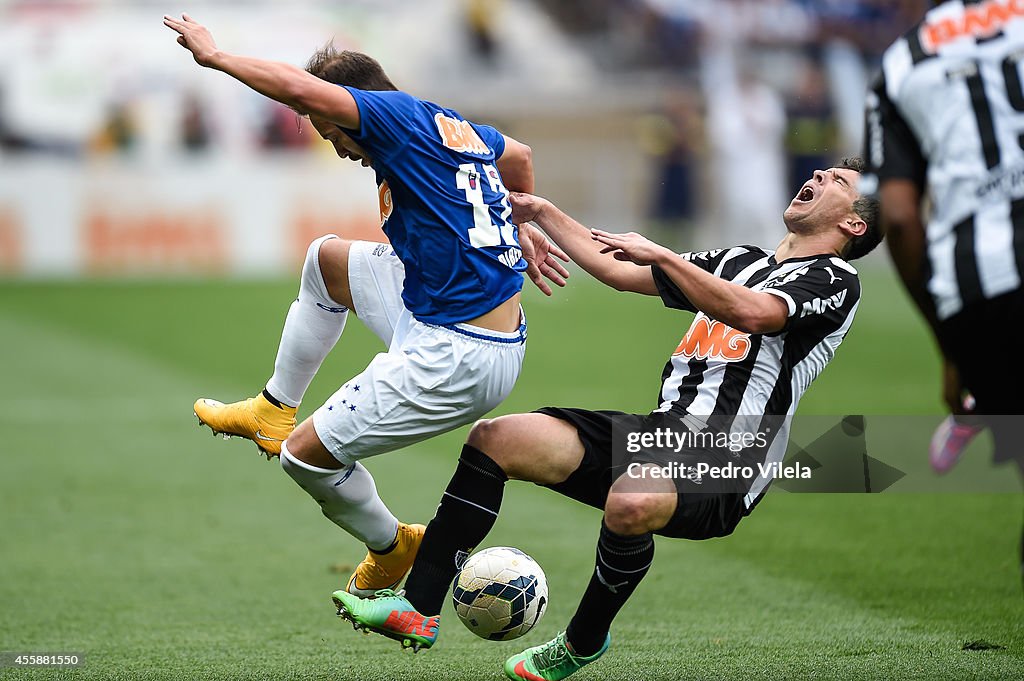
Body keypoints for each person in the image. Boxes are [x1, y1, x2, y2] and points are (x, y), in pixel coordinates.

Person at [333, 158, 882, 679]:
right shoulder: (742, 261)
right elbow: (620, 270)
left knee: (631, 498)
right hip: (662, 432)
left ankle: (583, 639)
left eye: (835, 179)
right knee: (498, 439)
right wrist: (542, 212)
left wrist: (665, 257)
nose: (817, 174)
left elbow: (754, 312)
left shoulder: (835, 279)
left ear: (855, 221)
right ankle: (418, 608)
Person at [163, 14, 569, 598]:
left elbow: (300, 90)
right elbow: (520, 157)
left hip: (457, 355)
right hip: (458, 322)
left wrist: (216, 57)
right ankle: (273, 407)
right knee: (326, 262)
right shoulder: (443, 121)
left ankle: (393, 545)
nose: (341, 150)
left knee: (304, 460)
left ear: (349, 106)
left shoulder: (391, 116)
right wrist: (517, 223)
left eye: (333, 135)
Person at [864, 0, 1024, 578]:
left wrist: (951, 346)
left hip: (980, 289)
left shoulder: (901, 63)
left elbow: (900, 216)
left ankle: (975, 408)